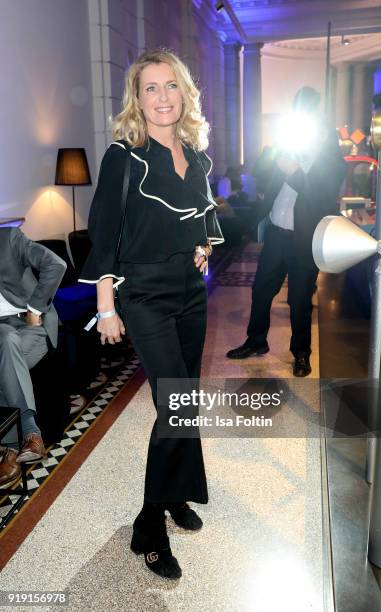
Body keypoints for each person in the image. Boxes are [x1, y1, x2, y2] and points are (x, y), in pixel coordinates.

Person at [79, 49, 224, 580]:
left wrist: (202, 245)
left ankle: (174, 493)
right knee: (177, 409)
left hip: (190, 290)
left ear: (184, 92)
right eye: (151, 89)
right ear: (136, 100)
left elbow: (201, 214)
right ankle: (149, 526)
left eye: (171, 86)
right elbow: (105, 231)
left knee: (185, 398)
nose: (163, 97)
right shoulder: (125, 155)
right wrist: (105, 304)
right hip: (144, 296)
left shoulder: (194, 151)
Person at [226, 87, 346, 376]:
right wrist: (276, 152)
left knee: (300, 300)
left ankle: (301, 354)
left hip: (305, 239)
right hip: (277, 235)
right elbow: (259, 173)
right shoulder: (286, 144)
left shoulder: (330, 151)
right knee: (261, 290)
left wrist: (296, 171)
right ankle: (256, 341)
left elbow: (322, 196)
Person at [0, 227, 66, 487]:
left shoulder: (9, 239)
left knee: (7, 343)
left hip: (31, 326)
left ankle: (12, 447)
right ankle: (30, 436)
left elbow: (56, 264)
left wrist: (35, 307)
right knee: (5, 338)